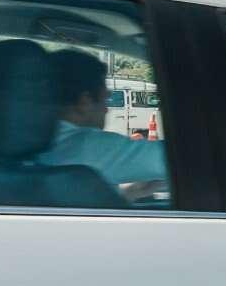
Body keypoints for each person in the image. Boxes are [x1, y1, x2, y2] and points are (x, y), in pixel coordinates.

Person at [37, 49, 170, 196]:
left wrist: (131, 193)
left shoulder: (36, 144)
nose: (107, 111)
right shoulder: (87, 146)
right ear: (84, 102)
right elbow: (180, 160)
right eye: (105, 100)